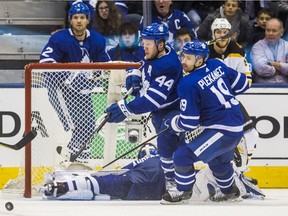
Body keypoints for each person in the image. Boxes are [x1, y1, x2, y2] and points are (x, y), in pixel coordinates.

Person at [160, 40, 251, 204]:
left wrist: (172, 124)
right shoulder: (217, 64)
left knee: (182, 155)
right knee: (218, 161)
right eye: (183, 56)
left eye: (188, 58)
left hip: (222, 129)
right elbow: (243, 84)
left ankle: (183, 191)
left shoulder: (187, 83)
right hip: (236, 125)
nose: (183, 61)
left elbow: (188, 122)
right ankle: (230, 191)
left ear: (200, 60)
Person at [104, 23, 183, 189]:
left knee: (168, 144)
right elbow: (142, 63)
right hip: (158, 113)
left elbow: (153, 101)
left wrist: (125, 108)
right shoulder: (155, 52)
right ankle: (169, 180)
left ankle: (174, 184)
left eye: (149, 43)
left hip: (172, 111)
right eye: (144, 42)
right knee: (167, 150)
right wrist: (135, 73)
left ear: (161, 44)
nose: (144, 47)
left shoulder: (169, 65)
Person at [40, 143, 264, 201]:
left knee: (116, 183)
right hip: (162, 180)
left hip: (161, 178)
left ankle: (65, 183)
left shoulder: (225, 174)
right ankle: (66, 184)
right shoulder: (230, 177)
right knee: (116, 184)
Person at [39, 1, 110, 164]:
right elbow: (45, 62)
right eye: (75, 17)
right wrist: (71, 75)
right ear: (70, 20)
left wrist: (95, 74)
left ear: (88, 20)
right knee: (77, 127)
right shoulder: (59, 38)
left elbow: (105, 65)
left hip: (81, 91)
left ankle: (78, 162)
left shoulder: (98, 40)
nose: (79, 21)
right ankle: (69, 159)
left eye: (82, 17)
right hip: (59, 89)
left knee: (89, 127)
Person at [208, 18, 259, 179]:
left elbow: (247, 79)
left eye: (225, 32)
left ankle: (240, 172)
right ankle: (214, 173)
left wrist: (228, 89)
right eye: (218, 32)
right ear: (213, 33)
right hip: (208, 105)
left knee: (251, 134)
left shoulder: (238, 50)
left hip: (229, 101)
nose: (222, 35)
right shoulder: (204, 52)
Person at [250, 18, 288, 83]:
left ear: (281, 32)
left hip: (285, 87)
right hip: (262, 88)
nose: (270, 33)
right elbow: (261, 69)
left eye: (274, 31)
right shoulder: (257, 47)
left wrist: (272, 63)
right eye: (268, 30)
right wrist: (282, 69)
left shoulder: (286, 46)